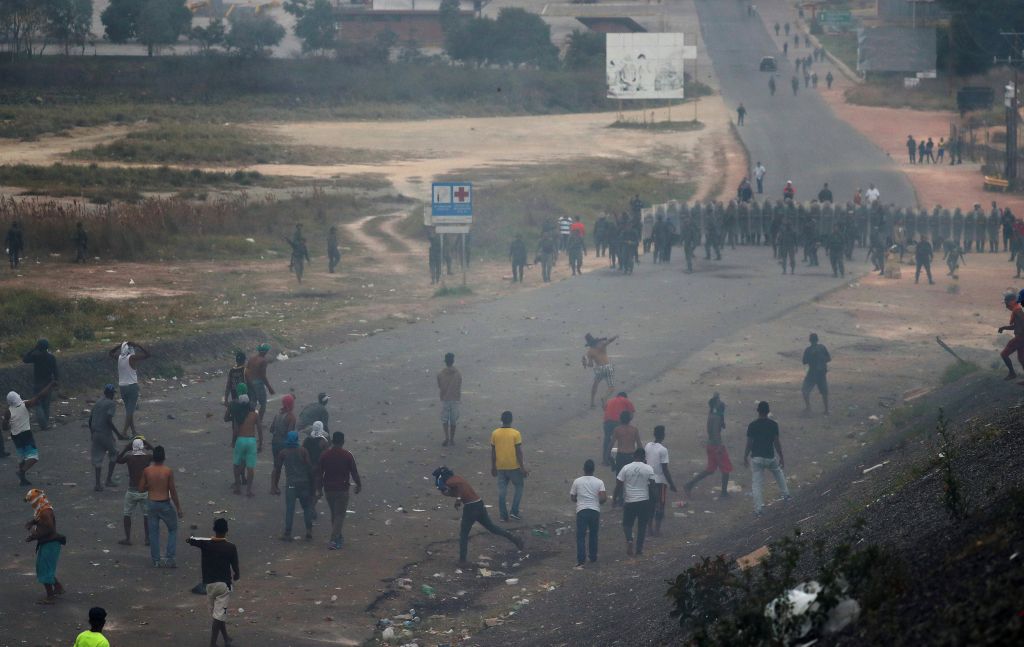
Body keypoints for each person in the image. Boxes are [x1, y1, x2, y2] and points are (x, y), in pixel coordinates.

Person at [434, 466, 523, 564]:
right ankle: (515, 539)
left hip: (471, 507)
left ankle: (462, 561)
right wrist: (454, 496)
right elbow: (458, 489)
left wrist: (458, 498)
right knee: (492, 527)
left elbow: (460, 487)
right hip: (479, 503)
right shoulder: (457, 478)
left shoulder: (450, 482)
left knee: (464, 534)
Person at [188, 518, 240, 647]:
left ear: (214, 529)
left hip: (209, 585)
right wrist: (236, 576)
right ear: (227, 531)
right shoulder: (231, 547)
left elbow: (190, 540)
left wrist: (193, 535)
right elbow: (236, 570)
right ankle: (213, 643)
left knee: (218, 614)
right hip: (224, 585)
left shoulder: (206, 544)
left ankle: (226, 638)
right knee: (219, 615)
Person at [316, 431, 361, 550]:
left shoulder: (325, 455)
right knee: (339, 515)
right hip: (342, 489)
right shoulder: (347, 455)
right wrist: (358, 485)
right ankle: (333, 540)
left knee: (334, 514)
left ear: (332, 441)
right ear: (343, 442)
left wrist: (319, 489)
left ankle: (338, 537)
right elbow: (354, 472)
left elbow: (319, 474)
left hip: (329, 489)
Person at [744, 402, 791, 517]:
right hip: (770, 457)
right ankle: (786, 495)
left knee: (757, 484)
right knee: (778, 473)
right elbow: (776, 443)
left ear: (758, 411)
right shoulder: (773, 424)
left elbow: (749, 443)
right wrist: (781, 457)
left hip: (757, 458)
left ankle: (758, 509)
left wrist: (745, 456)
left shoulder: (752, 425)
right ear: (768, 411)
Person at [140, 445, 183, 568]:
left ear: (153, 457)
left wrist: (149, 485)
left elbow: (141, 488)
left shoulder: (147, 470)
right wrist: (178, 508)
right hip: (164, 504)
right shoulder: (167, 471)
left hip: (151, 504)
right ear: (164, 457)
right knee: (172, 529)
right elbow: (172, 491)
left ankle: (156, 560)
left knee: (153, 533)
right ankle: (170, 558)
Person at [5, 384, 54, 486]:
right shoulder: (25, 404)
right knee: (34, 457)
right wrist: (50, 386)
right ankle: (21, 472)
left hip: (15, 436)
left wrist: (9, 423)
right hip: (26, 434)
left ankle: (22, 480)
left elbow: (4, 427)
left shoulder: (8, 411)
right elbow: (39, 396)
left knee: (22, 457)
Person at [684, 395, 733, 498]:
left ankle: (689, 485)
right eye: (719, 401)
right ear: (716, 404)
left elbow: (721, 425)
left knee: (710, 470)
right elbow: (716, 432)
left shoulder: (712, 414)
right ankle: (724, 493)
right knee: (726, 469)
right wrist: (719, 447)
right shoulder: (716, 417)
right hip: (716, 446)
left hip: (710, 446)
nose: (721, 402)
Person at [24, 488, 65, 603]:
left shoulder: (45, 512)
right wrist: (33, 522)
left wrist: (34, 535)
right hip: (48, 543)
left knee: (44, 569)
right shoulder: (43, 509)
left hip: (50, 544)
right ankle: (58, 587)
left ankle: (50, 596)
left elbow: (49, 528)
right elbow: (41, 521)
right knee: (45, 568)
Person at [273, 431, 315, 541]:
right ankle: (309, 530)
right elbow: (309, 467)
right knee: (306, 507)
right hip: (304, 483)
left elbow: (278, 469)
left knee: (290, 509)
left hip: (291, 484)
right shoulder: (303, 451)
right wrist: (313, 484)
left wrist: (275, 485)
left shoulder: (283, 453)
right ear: (297, 439)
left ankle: (287, 533)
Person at [613, 448, 654, 557]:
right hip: (644, 501)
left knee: (627, 524)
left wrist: (614, 499)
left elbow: (618, 485)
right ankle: (639, 549)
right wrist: (655, 501)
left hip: (630, 501)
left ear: (634, 456)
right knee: (642, 526)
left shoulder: (626, 468)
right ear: (644, 457)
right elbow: (652, 486)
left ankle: (630, 540)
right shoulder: (648, 468)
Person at [88, 384, 127, 491]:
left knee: (97, 458)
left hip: (95, 433)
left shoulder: (98, 402)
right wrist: (118, 434)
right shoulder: (111, 403)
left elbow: (90, 419)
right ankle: (108, 480)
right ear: (111, 394)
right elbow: (108, 420)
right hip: (105, 433)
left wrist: (92, 433)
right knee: (114, 453)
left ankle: (97, 484)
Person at [108, 341, 150, 437]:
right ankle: (124, 432)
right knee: (130, 411)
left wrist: (120, 345)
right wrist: (138, 345)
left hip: (122, 387)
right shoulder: (132, 358)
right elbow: (148, 355)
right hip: (132, 387)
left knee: (128, 411)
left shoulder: (119, 358)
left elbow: (110, 353)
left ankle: (133, 431)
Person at [491, 411, 528, 521]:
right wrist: (522, 467)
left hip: (500, 466)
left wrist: (493, 466)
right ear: (511, 420)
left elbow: (493, 452)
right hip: (513, 466)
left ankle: (503, 515)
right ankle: (514, 511)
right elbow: (518, 452)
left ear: (501, 420)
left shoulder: (495, 433)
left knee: (502, 491)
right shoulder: (515, 433)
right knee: (519, 486)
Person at [116, 436, 153, 546]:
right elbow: (159, 455)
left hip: (132, 490)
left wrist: (125, 449)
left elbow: (117, 460)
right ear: (143, 447)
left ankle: (128, 538)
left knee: (127, 514)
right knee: (146, 515)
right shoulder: (147, 457)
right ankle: (147, 539)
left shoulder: (129, 458)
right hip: (144, 491)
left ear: (132, 447)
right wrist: (148, 443)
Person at [569, 459, 605, 569]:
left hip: (582, 511)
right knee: (593, 534)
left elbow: (572, 497)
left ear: (583, 469)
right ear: (593, 469)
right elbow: (603, 498)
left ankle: (581, 560)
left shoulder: (577, 481)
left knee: (581, 536)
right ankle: (593, 557)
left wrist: (579, 500)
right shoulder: (599, 482)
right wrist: (597, 500)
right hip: (594, 511)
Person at [644, 425, 677, 537]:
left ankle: (649, 529)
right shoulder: (663, 450)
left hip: (649, 480)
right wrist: (672, 484)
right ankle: (657, 530)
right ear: (663, 435)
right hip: (660, 482)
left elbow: (645, 461)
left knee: (650, 506)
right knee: (660, 506)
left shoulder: (648, 446)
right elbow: (665, 469)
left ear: (654, 434)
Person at [22, 339, 58, 430]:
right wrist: (56, 381)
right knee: (46, 405)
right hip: (48, 384)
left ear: (39, 347)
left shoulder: (36, 357)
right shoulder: (51, 357)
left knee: (38, 404)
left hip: (38, 383)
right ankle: (45, 424)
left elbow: (25, 359)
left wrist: (33, 349)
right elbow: (56, 370)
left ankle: (43, 424)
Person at [231, 392, 261, 497]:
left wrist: (233, 442)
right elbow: (259, 429)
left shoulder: (237, 415)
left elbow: (235, 430)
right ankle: (248, 490)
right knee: (250, 467)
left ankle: (237, 487)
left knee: (237, 464)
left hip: (240, 440)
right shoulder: (254, 414)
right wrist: (261, 443)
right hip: (251, 441)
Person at [609, 411, 641, 502]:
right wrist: (643, 458)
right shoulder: (634, 430)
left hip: (621, 456)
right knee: (631, 478)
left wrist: (608, 456)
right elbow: (639, 445)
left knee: (620, 479)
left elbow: (611, 444)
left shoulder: (617, 429)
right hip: (631, 456)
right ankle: (630, 498)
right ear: (630, 419)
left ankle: (620, 499)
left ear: (620, 419)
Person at [268, 394, 297, 494]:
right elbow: (290, 434)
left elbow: (271, 429)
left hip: (275, 442)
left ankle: (274, 486)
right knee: (289, 466)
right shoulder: (291, 417)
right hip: (284, 444)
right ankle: (289, 486)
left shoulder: (277, 415)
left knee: (276, 466)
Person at [583, 333, 618, 408]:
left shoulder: (590, 352)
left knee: (595, 384)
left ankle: (592, 402)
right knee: (611, 388)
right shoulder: (602, 344)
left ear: (589, 344)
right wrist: (615, 336)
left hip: (600, 369)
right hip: (608, 367)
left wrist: (585, 364)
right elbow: (609, 340)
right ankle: (604, 397)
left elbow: (591, 365)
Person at [245, 343, 276, 423]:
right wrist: (269, 388)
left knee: (252, 403)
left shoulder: (251, 358)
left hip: (249, 383)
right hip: (258, 384)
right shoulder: (263, 361)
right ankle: (259, 422)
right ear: (265, 351)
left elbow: (246, 371)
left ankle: (249, 420)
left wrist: (248, 382)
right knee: (263, 404)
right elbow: (263, 376)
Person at [801, 333, 831, 415]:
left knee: (805, 390)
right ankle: (826, 410)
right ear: (817, 340)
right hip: (821, 373)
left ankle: (808, 408)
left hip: (813, 373)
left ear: (810, 340)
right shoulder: (822, 347)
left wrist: (813, 357)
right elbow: (828, 358)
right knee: (824, 392)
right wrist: (820, 358)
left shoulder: (808, 350)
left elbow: (804, 361)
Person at [437, 352, 462, 447]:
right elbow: (459, 385)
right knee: (453, 420)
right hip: (455, 398)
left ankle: (446, 437)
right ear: (453, 361)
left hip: (445, 399)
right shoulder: (458, 373)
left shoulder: (440, 374)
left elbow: (440, 386)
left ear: (445, 361)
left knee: (444, 419)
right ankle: (452, 439)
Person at [998, 292, 1024, 380]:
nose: (1006, 306)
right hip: (1021, 338)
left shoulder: (1018, 311)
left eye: (1007, 303)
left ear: (1012, 301)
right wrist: (1004, 328)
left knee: (1004, 354)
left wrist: (1020, 337)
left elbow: (1021, 324)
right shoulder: (1017, 310)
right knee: (1021, 359)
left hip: (1020, 338)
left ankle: (1012, 373)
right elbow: (1017, 326)